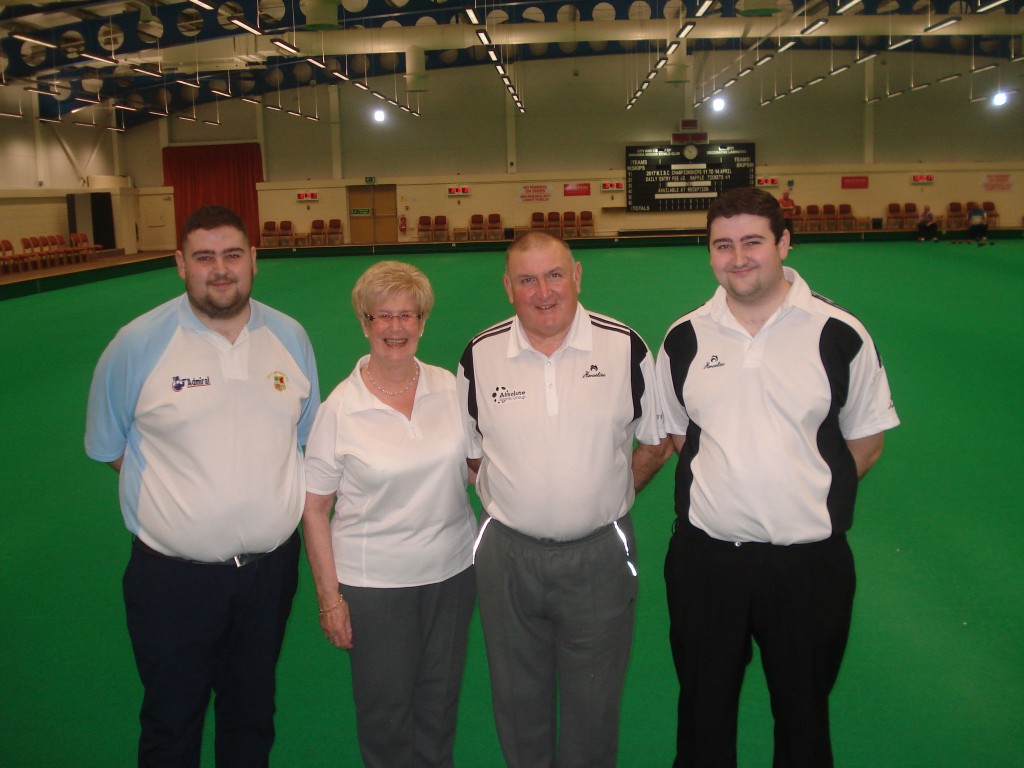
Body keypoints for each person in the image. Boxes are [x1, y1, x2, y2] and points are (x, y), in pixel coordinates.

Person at [655, 187, 900, 768]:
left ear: (784, 243)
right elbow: (677, 435)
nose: (738, 257)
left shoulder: (840, 333)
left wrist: (798, 496)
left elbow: (865, 441)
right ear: (709, 252)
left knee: (803, 716)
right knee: (702, 715)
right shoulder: (684, 337)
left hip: (808, 567)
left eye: (752, 242)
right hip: (706, 564)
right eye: (722, 245)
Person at [85, 205, 319, 767]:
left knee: (251, 715)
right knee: (171, 721)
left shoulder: (289, 336)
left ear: (253, 261)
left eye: (233, 254)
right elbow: (110, 447)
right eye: (204, 257)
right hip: (172, 581)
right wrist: (190, 502)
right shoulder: (137, 344)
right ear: (180, 264)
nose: (221, 269)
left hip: (270, 576)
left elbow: (302, 440)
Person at [456, 231, 672, 768]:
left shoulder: (626, 347)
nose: (543, 292)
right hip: (508, 558)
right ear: (508, 287)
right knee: (516, 701)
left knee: (594, 706)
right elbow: (470, 452)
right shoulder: (479, 356)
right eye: (527, 280)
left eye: (554, 275)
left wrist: (612, 490)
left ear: (577, 275)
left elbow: (657, 438)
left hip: (600, 553)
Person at [302, 261, 477, 768]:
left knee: (439, 709)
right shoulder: (339, 409)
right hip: (374, 586)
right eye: (383, 316)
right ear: (365, 323)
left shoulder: (450, 388)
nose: (396, 328)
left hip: (451, 575)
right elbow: (315, 510)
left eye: (407, 315)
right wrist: (330, 599)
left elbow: (477, 471)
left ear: (423, 322)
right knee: (386, 716)